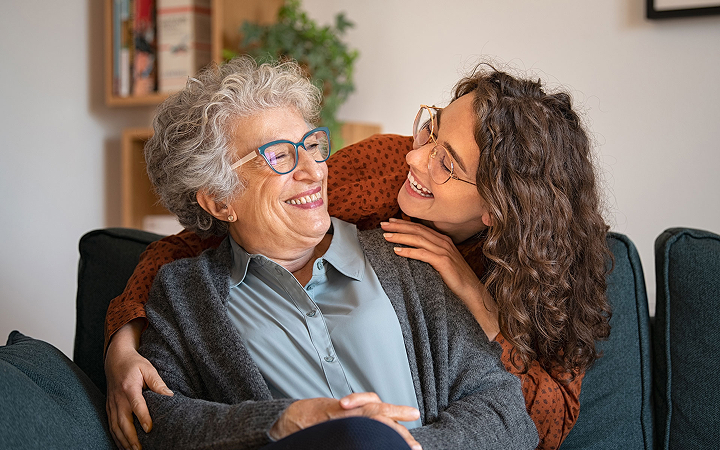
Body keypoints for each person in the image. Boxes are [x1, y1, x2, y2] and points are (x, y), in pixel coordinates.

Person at [105, 62, 611, 450]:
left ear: (498, 210)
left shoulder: (418, 265)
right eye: (280, 154)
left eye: (446, 162)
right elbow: (191, 244)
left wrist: (475, 301)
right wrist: (121, 342)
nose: (416, 157)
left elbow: (524, 418)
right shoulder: (385, 175)